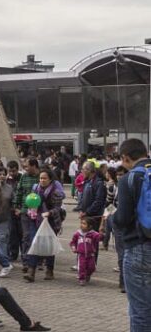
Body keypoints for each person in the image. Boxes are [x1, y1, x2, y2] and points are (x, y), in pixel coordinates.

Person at [112, 137, 151, 330]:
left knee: (140, 310)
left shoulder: (129, 179)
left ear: (125, 158)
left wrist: (112, 218)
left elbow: (123, 218)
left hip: (138, 248)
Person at [22, 168, 64, 283]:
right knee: (33, 242)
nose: (42, 180)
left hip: (50, 222)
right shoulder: (35, 188)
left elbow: (58, 208)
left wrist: (49, 213)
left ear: (50, 179)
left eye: (45, 178)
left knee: (49, 246)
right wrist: (31, 209)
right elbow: (31, 201)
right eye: (41, 178)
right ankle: (31, 271)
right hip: (35, 220)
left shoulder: (56, 192)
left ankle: (49, 270)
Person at [78, 161, 106, 233]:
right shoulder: (87, 181)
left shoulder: (98, 183)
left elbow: (98, 201)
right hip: (85, 216)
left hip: (94, 218)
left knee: (92, 239)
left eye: (83, 169)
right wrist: (81, 209)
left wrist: (87, 212)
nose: (81, 172)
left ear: (89, 170)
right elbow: (82, 198)